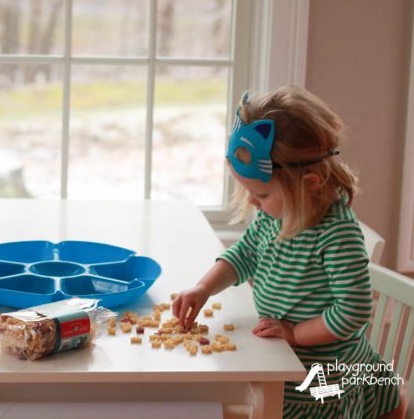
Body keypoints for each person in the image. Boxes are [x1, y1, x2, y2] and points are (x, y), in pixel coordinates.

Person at [172, 86, 401, 419]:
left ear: (308, 183)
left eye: (261, 194)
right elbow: (245, 254)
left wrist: (296, 333)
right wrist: (203, 288)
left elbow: (353, 312)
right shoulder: (273, 215)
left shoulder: (337, 236)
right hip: (280, 356)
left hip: (319, 378)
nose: (253, 203)